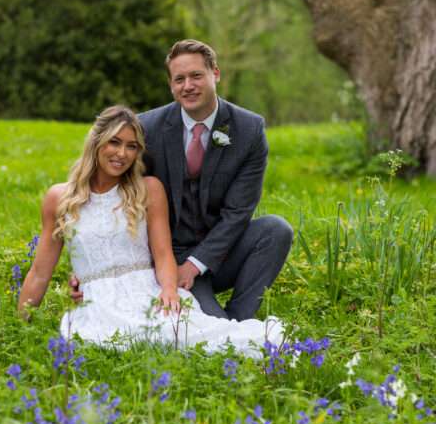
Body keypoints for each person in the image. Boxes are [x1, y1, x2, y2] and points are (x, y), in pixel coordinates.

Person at [18, 105, 284, 356]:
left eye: (131, 146)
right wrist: (20, 328)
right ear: (96, 142)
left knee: (194, 338)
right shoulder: (59, 198)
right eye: (114, 142)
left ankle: (246, 328)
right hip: (98, 301)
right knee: (123, 341)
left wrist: (169, 290)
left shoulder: (148, 189)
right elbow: (40, 272)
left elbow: (162, 252)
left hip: (147, 288)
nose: (122, 153)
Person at [70, 39, 293, 321]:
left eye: (196, 76)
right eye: (179, 79)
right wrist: (91, 269)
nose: (188, 86)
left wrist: (196, 264)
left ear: (216, 73)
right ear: (171, 85)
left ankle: (241, 319)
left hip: (221, 252)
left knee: (275, 230)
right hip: (166, 259)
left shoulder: (249, 130)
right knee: (209, 327)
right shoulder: (146, 128)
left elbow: (238, 211)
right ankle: (220, 321)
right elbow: (109, 193)